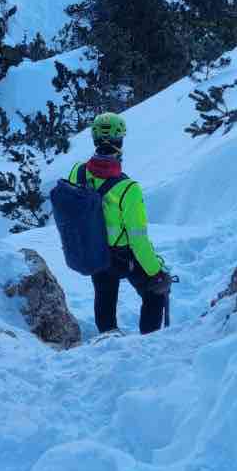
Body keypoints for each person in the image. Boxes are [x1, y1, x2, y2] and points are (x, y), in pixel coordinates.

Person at [68, 111, 172, 335]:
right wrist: (157, 272)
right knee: (155, 293)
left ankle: (108, 338)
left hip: (92, 251)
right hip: (121, 257)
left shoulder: (77, 172)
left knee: (104, 296)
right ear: (121, 141)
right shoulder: (128, 189)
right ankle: (150, 341)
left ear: (94, 140)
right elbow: (139, 241)